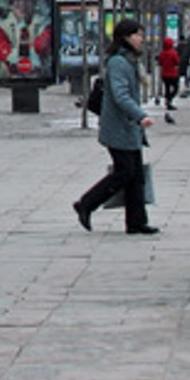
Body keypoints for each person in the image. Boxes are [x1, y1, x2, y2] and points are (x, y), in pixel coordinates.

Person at [71, 17, 158, 236]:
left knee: (135, 174)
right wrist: (140, 116)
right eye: (138, 35)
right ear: (126, 37)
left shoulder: (128, 59)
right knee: (125, 172)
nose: (141, 40)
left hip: (128, 127)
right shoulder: (118, 62)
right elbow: (120, 95)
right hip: (119, 127)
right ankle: (86, 203)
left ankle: (136, 222)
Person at [156, 36, 181, 123]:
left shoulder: (162, 53)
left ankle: (167, 99)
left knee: (167, 88)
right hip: (173, 73)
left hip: (164, 74)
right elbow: (177, 62)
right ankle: (170, 99)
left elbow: (159, 62)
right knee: (175, 88)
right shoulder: (173, 53)